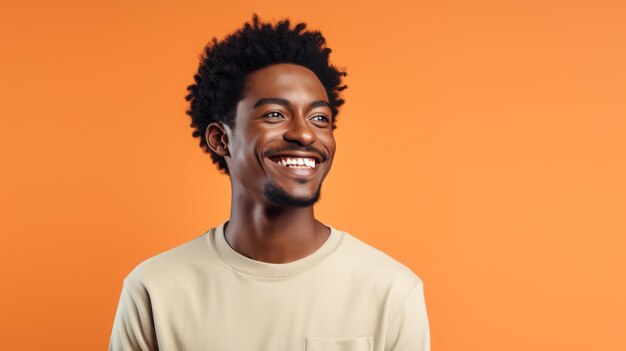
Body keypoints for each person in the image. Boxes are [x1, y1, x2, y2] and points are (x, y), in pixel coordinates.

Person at [109, 13, 430, 351]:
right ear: (221, 139)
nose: (305, 133)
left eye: (320, 118)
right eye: (275, 114)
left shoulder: (391, 291)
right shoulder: (155, 290)